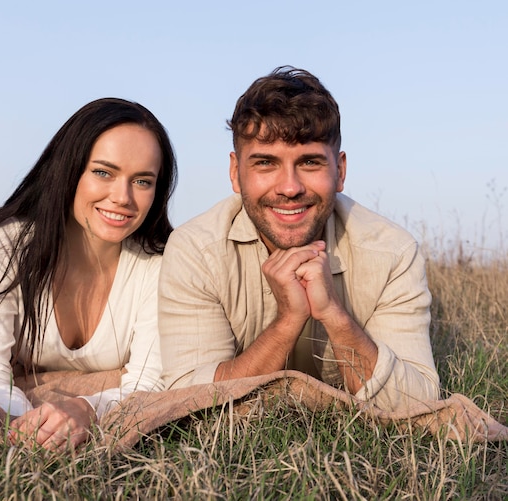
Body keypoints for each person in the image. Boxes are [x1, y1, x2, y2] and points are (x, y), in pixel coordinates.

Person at [158, 66, 439, 411]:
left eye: (309, 162)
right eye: (265, 163)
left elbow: (417, 401)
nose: (290, 187)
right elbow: (187, 399)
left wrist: (334, 314)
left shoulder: (393, 252)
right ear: (235, 173)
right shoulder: (195, 251)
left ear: (341, 171)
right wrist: (288, 320)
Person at [0, 98, 177, 450]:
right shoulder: (4, 245)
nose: (122, 197)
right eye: (103, 172)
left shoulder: (161, 264)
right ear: (69, 169)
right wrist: (28, 427)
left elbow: (150, 381)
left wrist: (87, 409)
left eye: (142, 181)